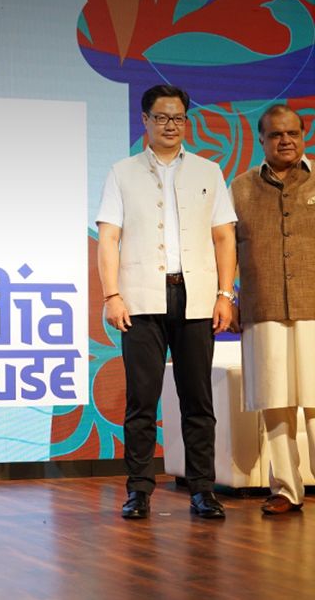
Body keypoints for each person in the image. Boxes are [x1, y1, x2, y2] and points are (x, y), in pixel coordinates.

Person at [96, 84, 237, 519]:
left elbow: (224, 237)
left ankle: (202, 489)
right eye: (161, 117)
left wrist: (225, 294)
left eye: (178, 118)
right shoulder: (122, 172)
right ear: (145, 121)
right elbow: (109, 238)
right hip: (140, 298)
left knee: (198, 400)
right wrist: (112, 295)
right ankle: (139, 490)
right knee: (142, 400)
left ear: (186, 122)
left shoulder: (208, 171)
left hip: (196, 297)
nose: (170, 125)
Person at [230, 104, 315, 514]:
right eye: (276, 135)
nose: (286, 141)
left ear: (303, 135)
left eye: (293, 133)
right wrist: (227, 296)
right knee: (274, 401)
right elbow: (224, 247)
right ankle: (285, 489)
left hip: (313, 305)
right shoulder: (240, 188)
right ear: (261, 139)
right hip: (263, 305)